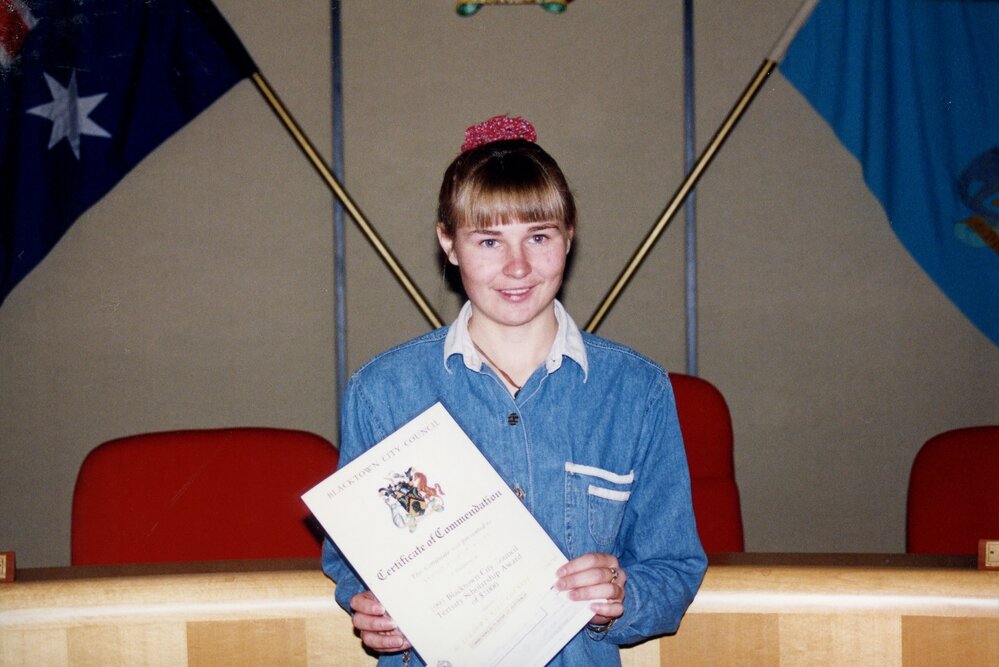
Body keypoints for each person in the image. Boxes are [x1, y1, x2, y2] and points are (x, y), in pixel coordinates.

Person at [322, 115, 706, 666]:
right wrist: (374, 609)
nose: (518, 266)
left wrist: (622, 594)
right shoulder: (383, 393)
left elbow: (674, 567)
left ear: (569, 236)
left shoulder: (637, 391)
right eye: (488, 241)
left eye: (539, 236)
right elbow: (350, 561)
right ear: (449, 244)